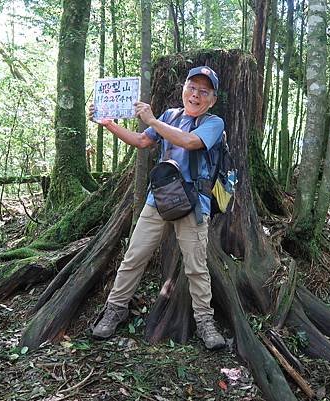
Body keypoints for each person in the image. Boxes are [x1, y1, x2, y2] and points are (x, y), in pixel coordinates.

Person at [88, 66, 226, 350]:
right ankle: (115, 309)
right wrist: (109, 123)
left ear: (212, 99)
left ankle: (205, 322)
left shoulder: (214, 123)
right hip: (159, 198)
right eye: (192, 88)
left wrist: (151, 118)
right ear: (183, 89)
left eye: (203, 91)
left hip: (193, 204)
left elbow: (190, 142)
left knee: (196, 267)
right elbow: (142, 141)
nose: (196, 95)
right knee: (134, 256)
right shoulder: (171, 116)